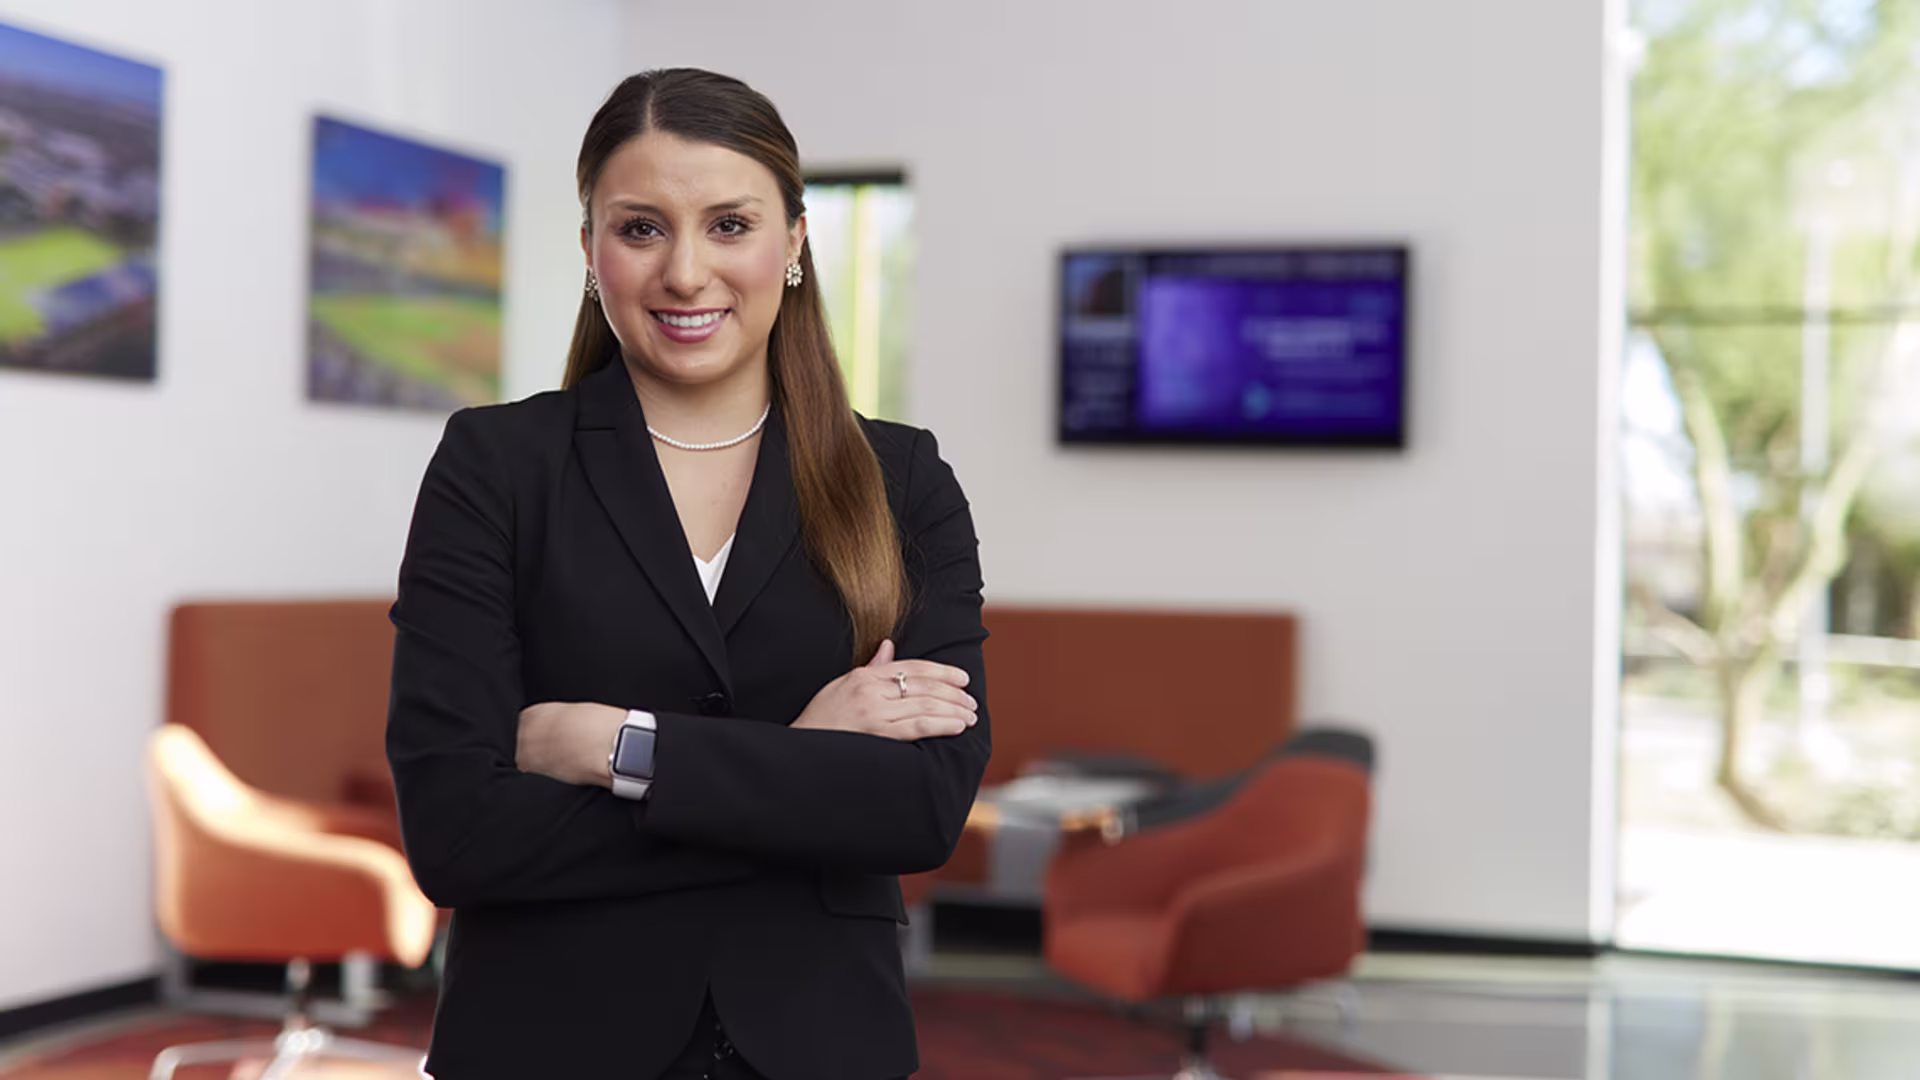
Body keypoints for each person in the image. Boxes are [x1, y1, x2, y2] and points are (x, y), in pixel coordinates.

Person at [385, 68, 991, 1080]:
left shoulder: (902, 479)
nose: (685, 272)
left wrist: (625, 749)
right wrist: (801, 760)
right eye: (641, 228)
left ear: (794, 244)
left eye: (729, 224)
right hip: (546, 1040)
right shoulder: (495, 466)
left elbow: (921, 809)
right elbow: (457, 832)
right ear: (591, 250)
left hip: (821, 1042)